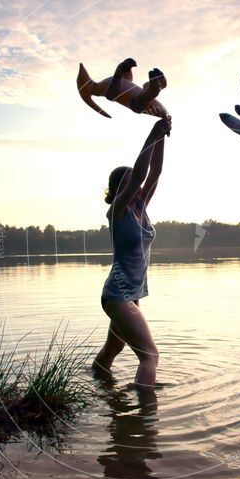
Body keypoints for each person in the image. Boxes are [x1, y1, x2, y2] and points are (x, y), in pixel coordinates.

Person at [93, 116, 171, 389]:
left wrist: (162, 136)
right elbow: (140, 174)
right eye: (128, 185)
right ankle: (145, 417)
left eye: (134, 184)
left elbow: (154, 172)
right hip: (118, 296)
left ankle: (99, 384)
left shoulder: (141, 207)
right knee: (149, 356)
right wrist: (152, 133)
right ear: (118, 191)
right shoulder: (118, 210)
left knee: (110, 353)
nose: (136, 187)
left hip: (131, 297)